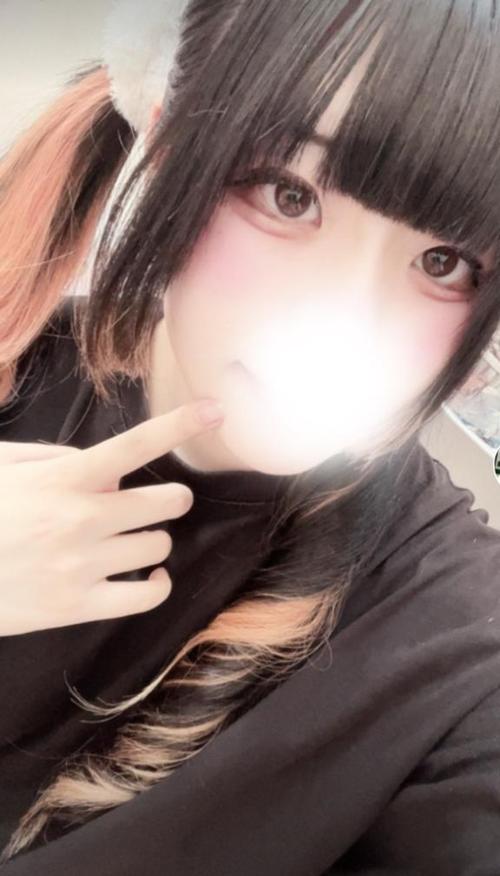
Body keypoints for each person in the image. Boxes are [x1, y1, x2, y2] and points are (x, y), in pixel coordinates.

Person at [0, 0, 500, 872]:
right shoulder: (19, 361)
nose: (348, 318)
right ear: (167, 147)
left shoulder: (452, 628)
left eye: (443, 262)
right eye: (288, 195)